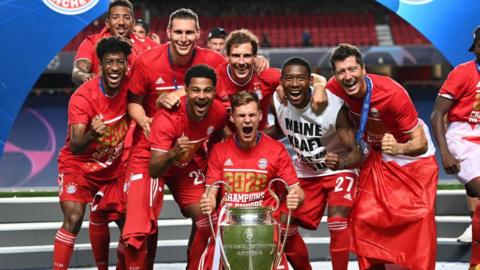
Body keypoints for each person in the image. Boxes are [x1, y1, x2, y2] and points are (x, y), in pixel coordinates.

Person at [123, 8, 227, 269]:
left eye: (189, 32)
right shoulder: (147, 61)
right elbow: (133, 102)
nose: (183, 38)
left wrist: (180, 93)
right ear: (168, 33)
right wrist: (145, 120)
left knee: (207, 218)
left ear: (198, 34)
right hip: (149, 150)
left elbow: (222, 102)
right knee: (138, 229)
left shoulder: (214, 61)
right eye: (178, 32)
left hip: (187, 153)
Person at [327, 43, 438, 270]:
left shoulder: (392, 93)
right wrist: (317, 88)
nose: (347, 76)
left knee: (420, 217)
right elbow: (312, 81)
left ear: (363, 69)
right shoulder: (334, 87)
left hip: (411, 156)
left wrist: (399, 148)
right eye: (341, 72)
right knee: (363, 218)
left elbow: (420, 142)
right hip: (377, 157)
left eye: (352, 69)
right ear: (335, 75)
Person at [265, 57, 364, 270]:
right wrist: (254, 135)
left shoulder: (333, 108)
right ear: (281, 82)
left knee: (337, 221)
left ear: (310, 81)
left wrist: (343, 161)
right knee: (284, 226)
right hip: (305, 170)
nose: (294, 84)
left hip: (338, 169)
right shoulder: (277, 101)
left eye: (300, 79)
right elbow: (283, 129)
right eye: (289, 79)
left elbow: (358, 153)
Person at [199, 91, 305, 270]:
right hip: (229, 225)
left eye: (251, 115)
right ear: (232, 117)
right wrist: (207, 201)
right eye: (241, 115)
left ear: (260, 116)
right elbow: (211, 191)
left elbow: (297, 191)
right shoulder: (219, 150)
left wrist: (295, 197)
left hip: (264, 227)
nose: (247, 120)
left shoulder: (276, 150)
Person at [53, 37, 131, 270]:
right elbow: (76, 144)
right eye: (109, 62)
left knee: (130, 226)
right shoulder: (83, 96)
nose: (115, 67)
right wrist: (93, 135)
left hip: (112, 169)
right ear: (100, 64)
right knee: (74, 218)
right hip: (79, 167)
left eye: (120, 62)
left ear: (127, 64)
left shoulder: (131, 87)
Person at [431, 26, 480, 269]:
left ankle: (476, 263)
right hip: (462, 136)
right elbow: (437, 114)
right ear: (476, 48)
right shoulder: (463, 73)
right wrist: (445, 153)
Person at [214, 29, 327, 132]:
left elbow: (313, 78)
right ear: (227, 57)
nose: (242, 62)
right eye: (236, 56)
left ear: (255, 57)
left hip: (259, 137)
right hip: (224, 141)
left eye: (247, 56)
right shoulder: (215, 78)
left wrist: (319, 87)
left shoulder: (266, 75)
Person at [72, 0, 156, 86]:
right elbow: (77, 71)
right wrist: (85, 76)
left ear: (133, 23)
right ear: (108, 23)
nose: (121, 23)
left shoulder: (147, 46)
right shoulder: (92, 42)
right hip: (102, 97)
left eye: (126, 17)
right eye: (115, 17)